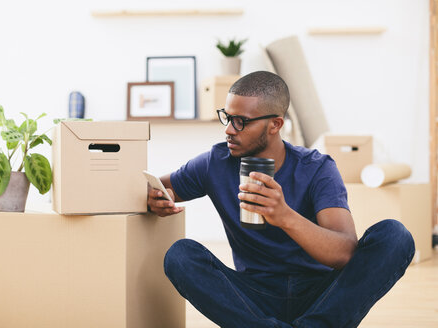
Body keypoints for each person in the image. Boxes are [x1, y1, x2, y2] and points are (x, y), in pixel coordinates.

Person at [147, 71, 415, 328]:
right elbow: (155, 187)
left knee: (395, 235)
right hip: (253, 296)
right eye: (227, 117)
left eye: (241, 121)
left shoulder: (317, 168)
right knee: (181, 255)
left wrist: (284, 216)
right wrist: (156, 198)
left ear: (275, 124)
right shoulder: (214, 163)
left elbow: (344, 252)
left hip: (322, 297)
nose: (229, 129)